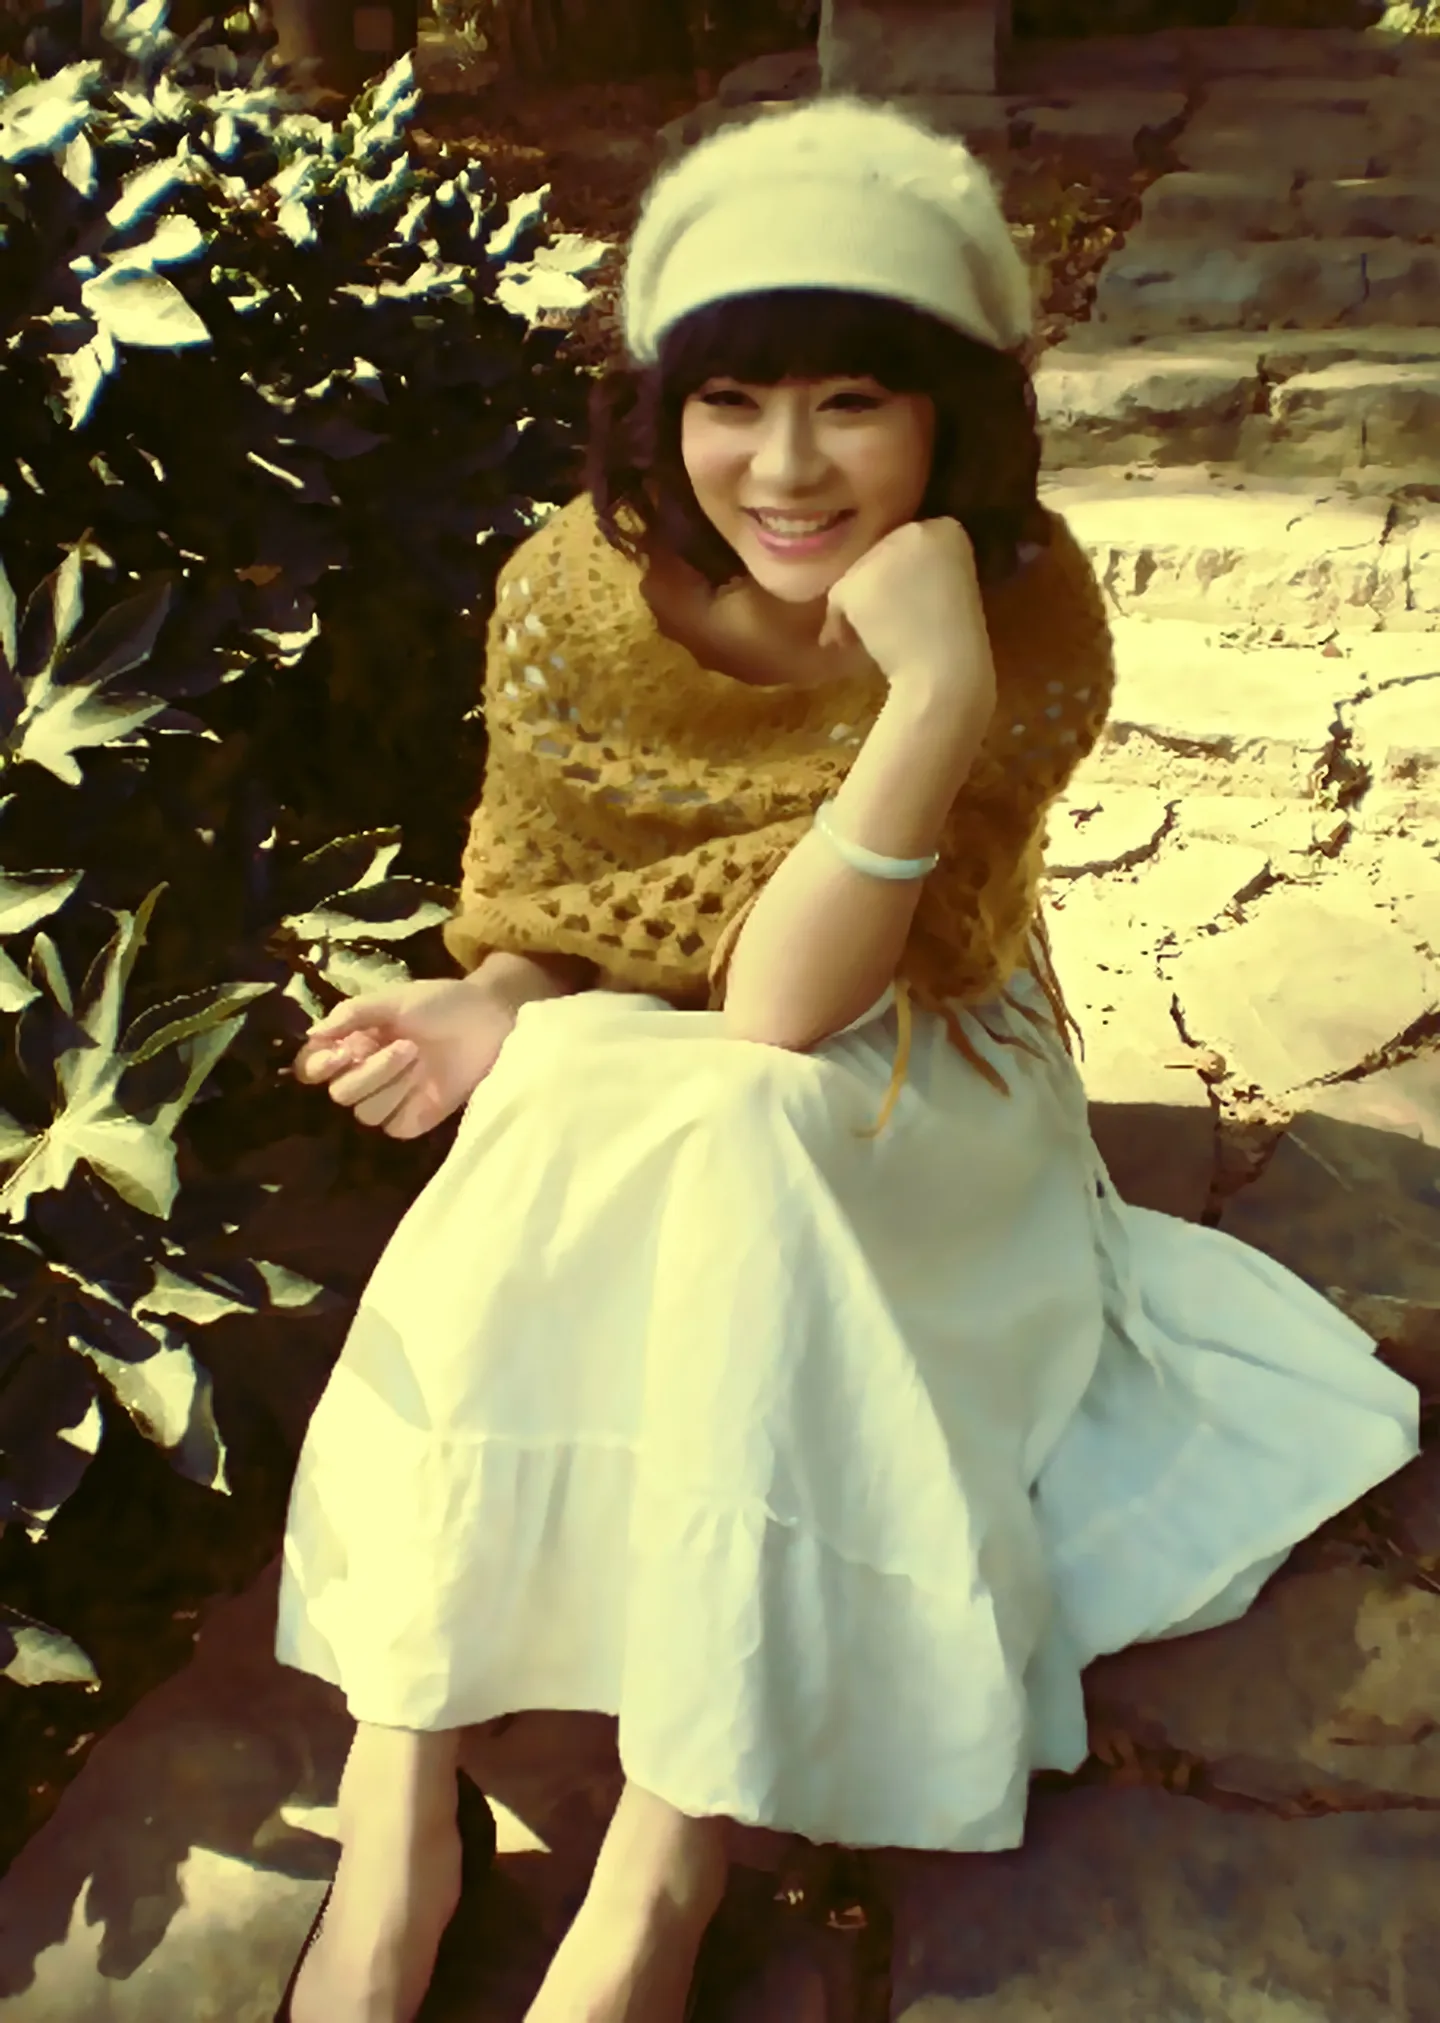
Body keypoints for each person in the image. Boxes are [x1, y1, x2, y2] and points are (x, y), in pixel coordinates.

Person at [269, 96, 1421, 2023]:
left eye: (852, 404)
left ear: (945, 415)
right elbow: (560, 905)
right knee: (566, 1089)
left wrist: (935, 688)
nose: (785, 468)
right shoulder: (571, 593)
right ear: (663, 408)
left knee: (750, 1114)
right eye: (731, 403)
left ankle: (664, 1856)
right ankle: (397, 1814)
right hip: (663, 1038)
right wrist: (498, 1000)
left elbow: (795, 1004)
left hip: (926, 1053)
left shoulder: (1019, 606)